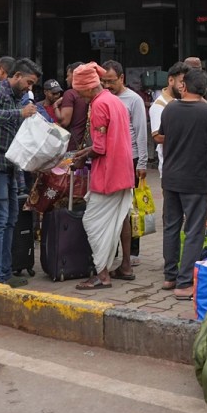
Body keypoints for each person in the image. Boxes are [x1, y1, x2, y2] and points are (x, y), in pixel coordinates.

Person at [158, 68, 207, 301]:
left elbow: (163, 135)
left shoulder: (170, 109)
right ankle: (185, 283)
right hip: (195, 180)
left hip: (170, 178)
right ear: (205, 89)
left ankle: (170, 276)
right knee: (195, 230)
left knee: (171, 227)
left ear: (183, 86)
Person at [70, 63, 135, 290]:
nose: (78, 95)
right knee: (116, 221)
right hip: (124, 171)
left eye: (79, 91)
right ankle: (119, 266)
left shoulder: (98, 105)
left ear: (87, 88)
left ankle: (102, 275)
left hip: (108, 174)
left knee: (93, 222)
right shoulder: (115, 100)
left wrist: (82, 156)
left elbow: (100, 147)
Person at [0, 58, 39, 287]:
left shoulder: (16, 99)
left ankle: (5, 271)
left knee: (10, 220)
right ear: (17, 75)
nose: (30, 88)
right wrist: (19, 113)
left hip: (9, 168)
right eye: (29, 82)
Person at [101, 61, 148, 273]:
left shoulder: (133, 100)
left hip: (131, 159)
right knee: (114, 209)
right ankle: (116, 254)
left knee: (129, 209)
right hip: (109, 159)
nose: (108, 85)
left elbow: (141, 132)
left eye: (111, 81)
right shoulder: (102, 98)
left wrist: (143, 162)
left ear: (122, 78)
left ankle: (132, 253)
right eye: (104, 81)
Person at [149, 62, 188, 168]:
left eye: (186, 82)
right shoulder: (159, 105)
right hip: (171, 166)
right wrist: (187, 137)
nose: (184, 86)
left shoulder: (184, 99)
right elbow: (157, 137)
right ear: (171, 80)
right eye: (181, 82)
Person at [58, 62, 90, 149]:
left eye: (68, 75)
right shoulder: (90, 93)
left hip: (71, 142)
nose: (66, 79)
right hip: (85, 143)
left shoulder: (70, 94)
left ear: (75, 75)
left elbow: (64, 122)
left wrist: (55, 107)